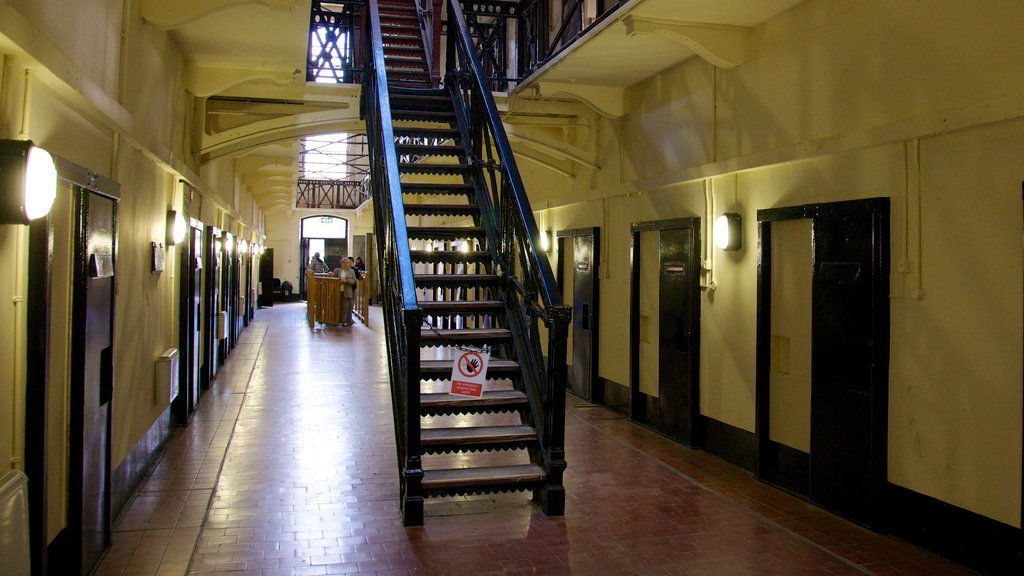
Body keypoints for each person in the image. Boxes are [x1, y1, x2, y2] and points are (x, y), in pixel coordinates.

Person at [336, 257, 357, 326]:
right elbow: (333, 279)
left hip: (347, 291)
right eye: (344, 263)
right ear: (341, 264)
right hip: (338, 290)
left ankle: (344, 321)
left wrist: (346, 281)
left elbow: (354, 281)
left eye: (347, 263)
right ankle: (337, 320)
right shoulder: (337, 270)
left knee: (346, 307)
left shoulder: (352, 271)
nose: (345, 264)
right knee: (338, 306)